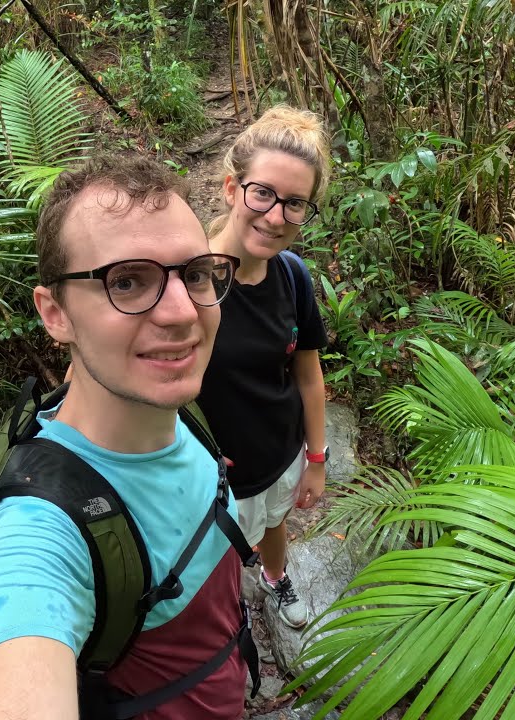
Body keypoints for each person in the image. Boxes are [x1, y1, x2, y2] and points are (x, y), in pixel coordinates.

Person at [0, 155, 252, 719]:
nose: (180, 312)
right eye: (126, 281)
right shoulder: (41, 528)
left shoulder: (178, 404)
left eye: (194, 273)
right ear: (56, 314)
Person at [198, 106, 331, 630]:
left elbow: (308, 375)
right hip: (211, 477)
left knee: (274, 523)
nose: (276, 216)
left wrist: (316, 458)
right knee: (213, 562)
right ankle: (224, 614)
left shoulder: (293, 276)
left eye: (295, 203)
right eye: (263, 193)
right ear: (233, 188)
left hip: (278, 452)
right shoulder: (187, 282)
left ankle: (274, 578)